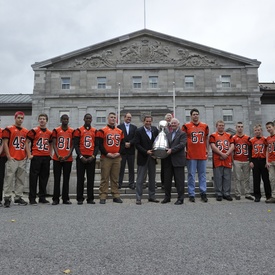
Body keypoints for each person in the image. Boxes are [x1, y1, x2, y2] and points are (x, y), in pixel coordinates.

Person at [2, 111, 29, 207]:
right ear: (15, 118)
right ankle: (7, 197)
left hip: (22, 157)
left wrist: (26, 154)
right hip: (12, 157)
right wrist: (8, 156)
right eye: (19, 118)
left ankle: (18, 197)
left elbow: (26, 143)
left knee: (20, 179)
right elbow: (5, 143)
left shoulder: (25, 131)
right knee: (9, 178)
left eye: (22, 118)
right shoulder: (9, 129)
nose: (20, 119)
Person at [182, 108, 209, 203]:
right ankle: (191, 194)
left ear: (199, 115)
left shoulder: (204, 126)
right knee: (191, 175)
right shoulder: (186, 126)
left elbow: (206, 139)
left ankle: (203, 192)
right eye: (194, 114)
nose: (195, 116)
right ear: (191, 116)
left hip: (201, 153)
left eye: (197, 114)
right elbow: (184, 139)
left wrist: (207, 149)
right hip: (191, 154)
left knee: (202, 175)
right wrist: (185, 150)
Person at [97, 112, 124, 204]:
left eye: (114, 117)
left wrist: (118, 153)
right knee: (104, 177)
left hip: (116, 157)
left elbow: (123, 144)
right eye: (111, 117)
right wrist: (107, 153)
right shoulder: (102, 130)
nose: (113, 119)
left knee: (115, 177)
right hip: (106, 157)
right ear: (108, 119)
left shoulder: (119, 131)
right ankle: (103, 195)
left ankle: (115, 195)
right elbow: (100, 144)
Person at [27, 113, 52, 205]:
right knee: (33, 178)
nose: (42, 120)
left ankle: (42, 197)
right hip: (36, 156)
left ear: (46, 121)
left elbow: (51, 143)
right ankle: (32, 198)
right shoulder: (34, 131)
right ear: (38, 120)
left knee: (44, 178)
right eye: (40, 119)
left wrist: (50, 154)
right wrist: (29, 154)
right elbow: (27, 142)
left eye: (44, 119)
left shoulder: (49, 132)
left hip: (45, 156)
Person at [73, 113, 98, 205]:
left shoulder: (95, 131)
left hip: (91, 157)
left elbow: (97, 145)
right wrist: (80, 156)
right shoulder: (78, 130)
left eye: (90, 118)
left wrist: (93, 156)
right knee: (80, 178)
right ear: (84, 119)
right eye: (87, 118)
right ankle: (80, 198)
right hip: (81, 157)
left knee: (90, 178)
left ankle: (90, 198)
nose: (88, 120)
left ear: (91, 120)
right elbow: (76, 145)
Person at [161, 118, 187, 205]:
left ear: (178, 124)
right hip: (168, 161)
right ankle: (167, 197)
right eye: (172, 123)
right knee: (167, 181)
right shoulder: (168, 134)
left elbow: (182, 145)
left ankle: (180, 198)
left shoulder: (182, 134)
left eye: (175, 123)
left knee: (179, 181)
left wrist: (172, 150)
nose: (173, 124)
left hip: (178, 160)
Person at [135, 115, 159, 205]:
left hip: (152, 158)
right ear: (143, 121)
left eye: (150, 121)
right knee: (140, 179)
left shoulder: (154, 130)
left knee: (152, 178)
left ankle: (152, 196)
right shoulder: (139, 131)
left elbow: (157, 142)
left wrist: (156, 154)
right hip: (143, 157)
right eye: (147, 121)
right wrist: (146, 151)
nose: (148, 123)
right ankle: (138, 198)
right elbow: (137, 144)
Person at [51, 114, 74, 205]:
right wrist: (58, 155)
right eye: (63, 119)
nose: (65, 120)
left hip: (68, 158)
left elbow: (72, 145)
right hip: (57, 158)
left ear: (68, 120)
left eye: (67, 119)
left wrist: (68, 155)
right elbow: (54, 144)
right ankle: (55, 198)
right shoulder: (56, 130)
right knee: (57, 179)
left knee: (66, 179)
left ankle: (65, 198)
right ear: (61, 120)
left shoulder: (72, 131)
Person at [209, 120, 235, 201]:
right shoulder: (213, 135)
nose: (221, 127)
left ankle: (226, 193)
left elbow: (232, 146)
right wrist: (221, 154)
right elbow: (213, 146)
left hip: (227, 158)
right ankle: (219, 193)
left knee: (227, 177)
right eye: (219, 125)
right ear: (216, 126)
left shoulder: (229, 135)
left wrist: (226, 154)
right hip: (217, 158)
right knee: (218, 177)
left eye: (222, 125)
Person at [249, 124, 271, 202]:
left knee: (266, 179)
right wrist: (250, 161)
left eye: (259, 130)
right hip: (255, 160)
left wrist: (267, 161)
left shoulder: (265, 139)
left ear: (261, 131)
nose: (257, 132)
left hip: (263, 159)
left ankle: (268, 195)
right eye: (256, 130)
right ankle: (257, 196)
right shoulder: (251, 140)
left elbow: (268, 150)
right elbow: (249, 151)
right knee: (256, 179)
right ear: (254, 131)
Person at [232, 122, 253, 200]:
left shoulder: (247, 138)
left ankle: (247, 193)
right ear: (236, 128)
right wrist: (232, 160)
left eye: (241, 126)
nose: (240, 128)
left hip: (246, 160)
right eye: (238, 127)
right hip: (237, 160)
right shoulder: (233, 138)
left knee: (246, 178)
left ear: (243, 128)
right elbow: (232, 150)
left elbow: (251, 149)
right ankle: (237, 193)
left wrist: (250, 160)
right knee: (237, 177)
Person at [117, 113, 137, 189]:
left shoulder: (134, 127)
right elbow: (118, 137)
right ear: (124, 117)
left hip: (131, 151)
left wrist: (130, 143)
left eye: (130, 117)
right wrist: (124, 143)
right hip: (122, 151)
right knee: (121, 168)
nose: (129, 119)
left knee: (131, 168)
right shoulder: (119, 127)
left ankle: (131, 183)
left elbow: (135, 138)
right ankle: (119, 183)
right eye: (128, 117)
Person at [161, 113, 173, 189]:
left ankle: (170, 182)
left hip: (172, 149)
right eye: (167, 118)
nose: (169, 119)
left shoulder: (174, 127)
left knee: (172, 167)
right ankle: (163, 183)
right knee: (164, 167)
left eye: (170, 118)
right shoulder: (162, 127)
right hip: (164, 149)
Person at [265, 121, 275, 203]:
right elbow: (267, 150)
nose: (268, 129)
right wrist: (267, 161)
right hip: (271, 161)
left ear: (273, 127)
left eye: (269, 127)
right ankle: (274, 196)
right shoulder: (268, 139)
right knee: (272, 179)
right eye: (267, 128)